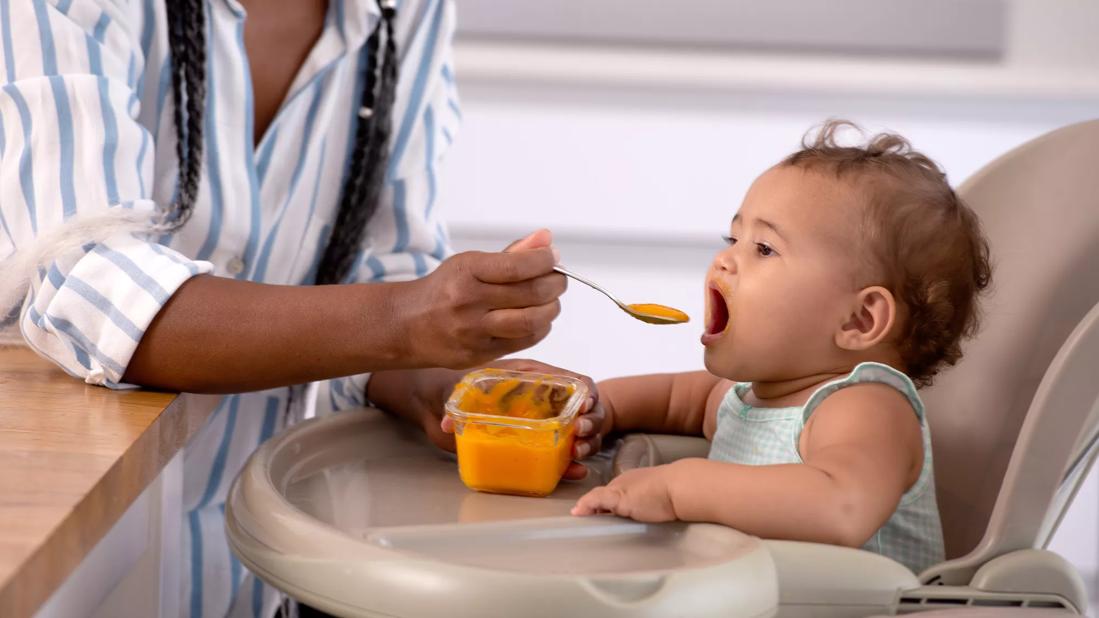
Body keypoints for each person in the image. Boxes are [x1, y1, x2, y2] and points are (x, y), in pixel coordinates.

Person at [0, 1, 603, 616]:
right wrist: (407, 318)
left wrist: (455, 386)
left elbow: (383, 267)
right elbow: (84, 282)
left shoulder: (406, 13)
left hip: (257, 571)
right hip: (67, 562)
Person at [571, 120, 992, 574]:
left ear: (859, 319)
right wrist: (597, 406)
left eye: (765, 249)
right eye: (733, 239)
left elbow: (842, 506)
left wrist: (678, 488)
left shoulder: (866, 405)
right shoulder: (750, 396)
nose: (724, 260)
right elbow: (680, 401)